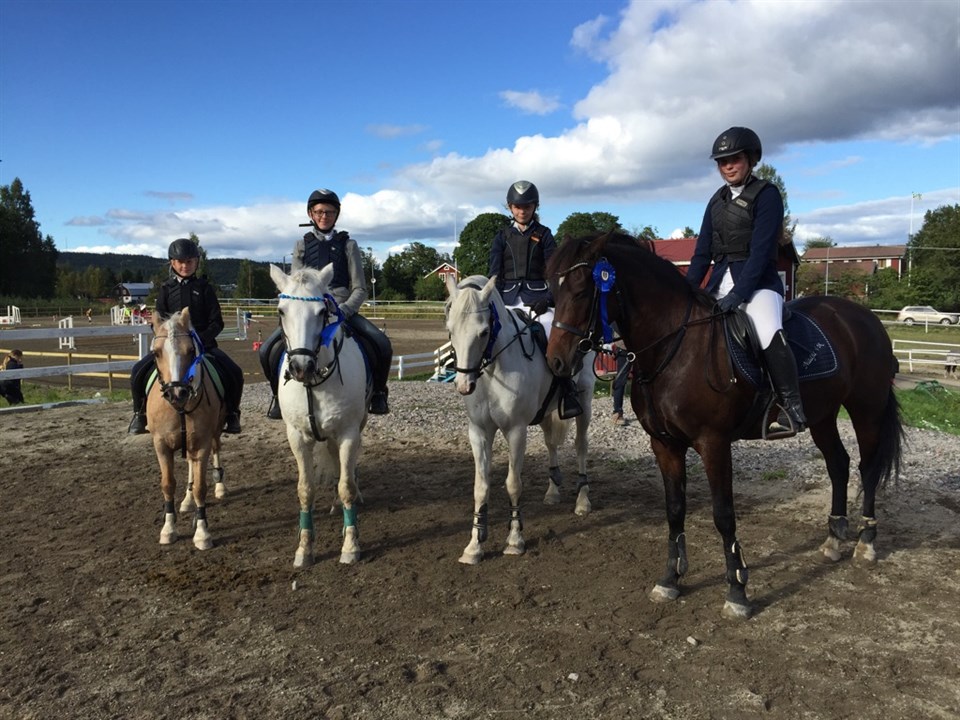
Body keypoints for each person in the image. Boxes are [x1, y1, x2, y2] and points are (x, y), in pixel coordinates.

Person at [686, 126, 807, 434]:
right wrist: (686, 290)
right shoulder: (716, 201)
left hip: (759, 285)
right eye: (722, 161)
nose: (728, 166)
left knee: (767, 331)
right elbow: (702, 253)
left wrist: (739, 294)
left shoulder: (767, 194)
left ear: (751, 159)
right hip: (718, 285)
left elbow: (761, 251)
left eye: (734, 159)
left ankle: (790, 405)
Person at [258, 189, 392, 418]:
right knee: (266, 350)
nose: (324, 216)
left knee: (381, 343)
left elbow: (360, 288)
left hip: (341, 308)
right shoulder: (301, 244)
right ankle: (277, 397)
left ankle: (378, 393)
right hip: (308, 312)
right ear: (311, 214)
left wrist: (344, 310)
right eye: (319, 212)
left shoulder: (348, 245)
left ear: (336, 215)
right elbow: (295, 285)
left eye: (329, 212)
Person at [127, 238, 244, 435]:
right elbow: (158, 322)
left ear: (196, 262)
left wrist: (200, 340)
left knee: (234, 372)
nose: (185, 266)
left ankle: (232, 414)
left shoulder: (205, 288)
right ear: (172, 263)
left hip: (204, 346)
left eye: (189, 261)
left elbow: (217, 322)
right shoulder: (166, 289)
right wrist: (165, 340)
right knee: (138, 371)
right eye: (180, 262)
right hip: (172, 349)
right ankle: (139, 415)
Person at [489, 180, 582, 419]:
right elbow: (494, 275)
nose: (522, 211)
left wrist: (549, 298)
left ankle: (566, 389)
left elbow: (555, 273)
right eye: (518, 207)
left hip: (537, 299)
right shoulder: (501, 236)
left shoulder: (545, 235)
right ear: (510, 207)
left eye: (527, 206)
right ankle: (474, 381)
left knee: (552, 328)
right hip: (506, 299)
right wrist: (494, 301)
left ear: (534, 207)